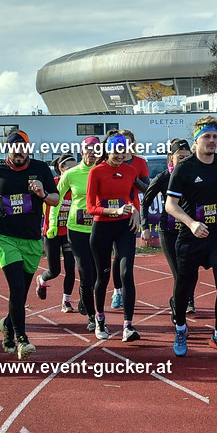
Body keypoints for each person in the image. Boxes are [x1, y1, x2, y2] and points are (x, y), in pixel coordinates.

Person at [0, 131, 59, 359]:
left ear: (28, 149)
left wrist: (41, 193)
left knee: (20, 295)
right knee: (17, 288)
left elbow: (55, 199)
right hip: (5, 237)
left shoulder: (41, 169)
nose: (19, 151)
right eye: (14, 147)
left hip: (31, 240)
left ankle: (7, 326)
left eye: (23, 147)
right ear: (7, 149)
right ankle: (22, 339)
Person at [166, 116, 217, 357]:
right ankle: (180, 327)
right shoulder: (184, 168)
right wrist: (192, 222)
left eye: (215, 137)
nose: (212, 141)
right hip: (190, 235)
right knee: (184, 286)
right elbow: (170, 205)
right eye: (207, 137)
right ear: (197, 140)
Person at [86, 134, 142, 341]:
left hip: (125, 227)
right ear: (107, 151)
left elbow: (131, 195)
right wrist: (115, 211)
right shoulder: (96, 171)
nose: (120, 155)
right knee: (103, 276)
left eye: (123, 151)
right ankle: (100, 318)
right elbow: (91, 207)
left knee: (127, 274)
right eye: (116, 151)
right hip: (102, 228)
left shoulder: (130, 171)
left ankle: (128, 325)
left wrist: (135, 211)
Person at [141, 138, 193, 324]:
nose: (185, 161)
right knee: (179, 273)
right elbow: (145, 202)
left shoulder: (194, 175)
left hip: (189, 229)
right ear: (171, 158)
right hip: (168, 230)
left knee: (189, 270)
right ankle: (177, 306)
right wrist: (145, 227)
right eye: (180, 157)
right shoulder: (163, 178)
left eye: (188, 157)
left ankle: (188, 299)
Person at [57, 137, 100, 332]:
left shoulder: (104, 172)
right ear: (81, 152)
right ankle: (92, 317)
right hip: (77, 230)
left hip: (101, 229)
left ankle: (86, 300)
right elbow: (55, 199)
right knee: (85, 272)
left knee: (100, 274)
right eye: (88, 149)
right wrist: (51, 227)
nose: (92, 152)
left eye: (95, 149)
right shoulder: (71, 174)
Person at [109, 129, 150, 310]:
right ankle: (117, 291)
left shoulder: (139, 162)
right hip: (111, 212)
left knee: (124, 256)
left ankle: (123, 293)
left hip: (131, 213)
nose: (123, 148)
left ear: (132, 144)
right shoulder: (110, 161)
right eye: (120, 143)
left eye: (127, 143)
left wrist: (133, 179)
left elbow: (147, 187)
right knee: (116, 256)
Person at [36, 154, 79, 313]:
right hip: (52, 232)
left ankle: (66, 301)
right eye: (71, 168)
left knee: (70, 267)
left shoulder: (77, 186)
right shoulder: (53, 184)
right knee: (54, 271)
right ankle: (42, 278)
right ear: (61, 169)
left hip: (69, 232)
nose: (75, 171)